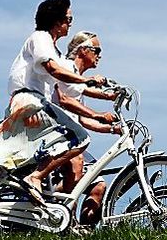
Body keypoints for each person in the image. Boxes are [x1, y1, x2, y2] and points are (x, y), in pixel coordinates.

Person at [0, 0, 106, 203]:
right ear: (57, 21)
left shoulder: (52, 48)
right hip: (29, 103)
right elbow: (53, 70)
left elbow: (61, 90)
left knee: (63, 151)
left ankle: (49, 204)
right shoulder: (40, 38)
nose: (70, 24)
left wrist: (105, 94)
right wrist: (86, 81)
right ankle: (35, 178)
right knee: (80, 138)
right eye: (69, 19)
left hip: (36, 104)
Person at [51, 30, 121, 226]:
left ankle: (83, 234)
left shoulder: (77, 78)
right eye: (96, 50)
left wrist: (112, 129)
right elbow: (65, 101)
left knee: (98, 186)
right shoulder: (66, 68)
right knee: (76, 171)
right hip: (59, 137)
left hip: (73, 136)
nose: (99, 55)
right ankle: (63, 221)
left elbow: (81, 119)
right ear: (83, 50)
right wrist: (99, 112)